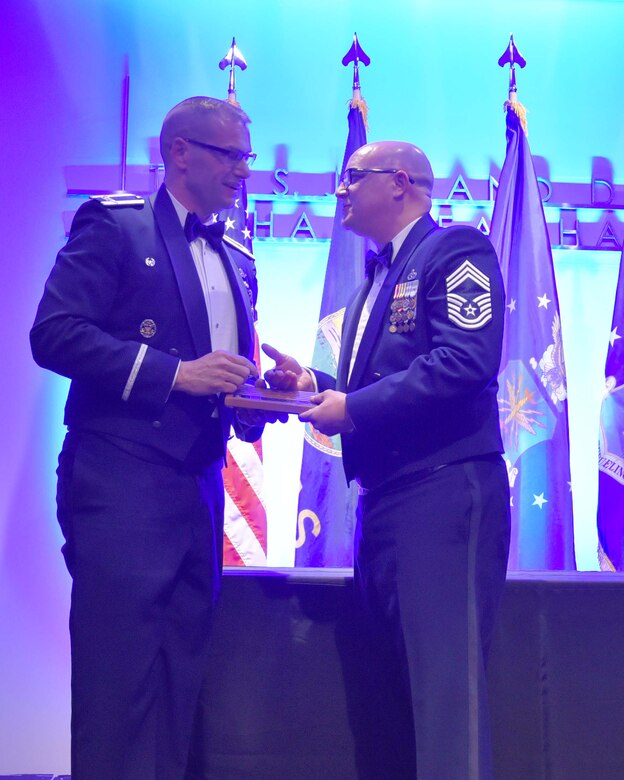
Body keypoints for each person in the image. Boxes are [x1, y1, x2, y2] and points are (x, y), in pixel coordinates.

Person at [31, 96, 267, 780]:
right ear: (179, 152)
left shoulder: (237, 255)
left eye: (246, 157)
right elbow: (55, 334)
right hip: (122, 485)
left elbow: (219, 376)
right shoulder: (115, 229)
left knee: (180, 682)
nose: (242, 171)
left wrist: (264, 394)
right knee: (118, 687)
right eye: (229, 155)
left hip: (197, 490)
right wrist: (175, 374)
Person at [264, 140, 511, 779]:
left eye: (353, 178)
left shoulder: (455, 250)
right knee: (398, 696)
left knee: (444, 698)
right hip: (390, 501)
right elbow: (379, 379)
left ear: (398, 182)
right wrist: (314, 387)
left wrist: (351, 408)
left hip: (443, 496)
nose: (340, 190)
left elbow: (465, 362)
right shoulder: (378, 273)